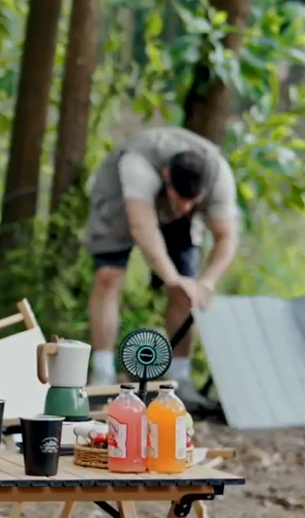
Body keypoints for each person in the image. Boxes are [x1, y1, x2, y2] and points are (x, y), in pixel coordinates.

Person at [83, 125, 240, 401]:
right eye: (182, 202)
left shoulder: (219, 176)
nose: (186, 209)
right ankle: (103, 373)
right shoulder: (137, 165)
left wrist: (205, 282)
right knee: (108, 276)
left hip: (174, 203)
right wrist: (170, 277)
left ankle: (180, 378)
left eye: (193, 203)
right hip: (122, 199)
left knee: (186, 292)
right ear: (167, 177)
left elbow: (226, 237)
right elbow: (142, 228)